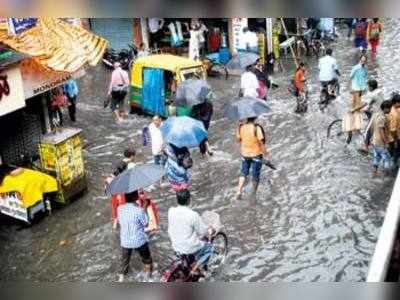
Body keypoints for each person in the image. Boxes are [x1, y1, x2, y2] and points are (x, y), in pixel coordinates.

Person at [168, 189, 214, 275]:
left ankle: (189, 263)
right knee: (210, 248)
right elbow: (202, 231)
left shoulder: (171, 211)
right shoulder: (193, 215)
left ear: (177, 199)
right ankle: (195, 268)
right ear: (189, 200)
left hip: (175, 245)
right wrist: (209, 229)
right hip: (189, 247)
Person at [117, 190, 153, 282]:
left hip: (125, 242)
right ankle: (147, 278)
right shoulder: (139, 210)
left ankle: (121, 278)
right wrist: (144, 206)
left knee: (124, 262)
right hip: (139, 241)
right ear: (136, 197)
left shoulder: (120, 209)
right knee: (147, 260)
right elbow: (145, 224)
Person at [235, 117, 269, 199]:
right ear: (255, 117)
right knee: (255, 175)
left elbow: (238, 140)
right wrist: (266, 154)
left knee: (243, 173)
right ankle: (253, 194)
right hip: (256, 154)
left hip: (245, 154)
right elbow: (261, 143)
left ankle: (239, 191)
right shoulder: (256, 128)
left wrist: (238, 127)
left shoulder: (241, 127)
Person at [370, 101, 392, 176]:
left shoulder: (376, 115)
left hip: (375, 140)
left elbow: (372, 127)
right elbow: (381, 131)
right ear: (386, 108)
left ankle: (374, 172)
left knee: (377, 157)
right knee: (387, 158)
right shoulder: (382, 118)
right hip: (380, 142)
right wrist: (386, 143)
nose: (390, 110)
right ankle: (387, 174)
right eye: (390, 108)